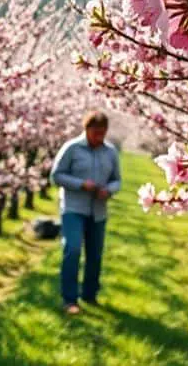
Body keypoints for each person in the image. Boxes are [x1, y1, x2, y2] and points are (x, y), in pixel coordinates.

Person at [50, 110, 121, 315]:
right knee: (72, 250)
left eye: (103, 132)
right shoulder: (72, 148)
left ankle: (90, 295)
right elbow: (56, 176)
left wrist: (109, 190)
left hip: (98, 210)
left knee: (95, 255)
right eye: (96, 132)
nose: (99, 137)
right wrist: (82, 184)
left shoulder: (110, 152)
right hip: (73, 207)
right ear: (87, 129)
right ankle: (69, 299)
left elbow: (117, 179)